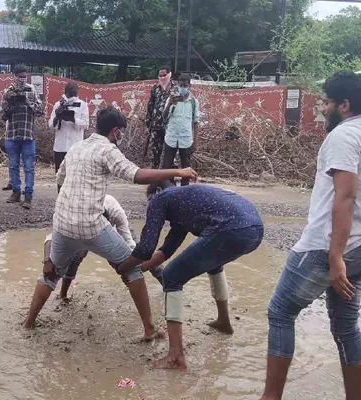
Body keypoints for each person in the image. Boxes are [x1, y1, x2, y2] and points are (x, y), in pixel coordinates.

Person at [260, 72, 361, 400]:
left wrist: (335, 257)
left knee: (280, 311)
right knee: (346, 328)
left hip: (329, 247)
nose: (323, 108)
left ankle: (270, 397)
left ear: (343, 105)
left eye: (328, 102)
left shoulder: (343, 136)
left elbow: (345, 196)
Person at [23, 107, 198, 340]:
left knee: (50, 273)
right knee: (133, 270)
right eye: (121, 132)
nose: (121, 136)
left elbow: (60, 180)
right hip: (91, 224)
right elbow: (136, 175)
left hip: (62, 222)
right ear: (115, 131)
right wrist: (178, 170)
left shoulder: (76, 147)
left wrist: (69, 207)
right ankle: (149, 329)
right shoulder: (108, 150)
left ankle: (29, 322)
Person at [117, 181, 263, 369]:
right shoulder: (182, 206)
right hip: (254, 230)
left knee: (171, 276)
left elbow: (145, 249)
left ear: (158, 191)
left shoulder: (160, 198)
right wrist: (140, 268)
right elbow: (166, 251)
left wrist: (123, 268)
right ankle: (224, 322)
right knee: (214, 264)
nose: (151, 207)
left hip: (232, 228)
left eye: (149, 201)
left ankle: (175, 357)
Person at [44, 194, 164, 301]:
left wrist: (131, 268)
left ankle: (167, 286)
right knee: (76, 257)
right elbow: (51, 238)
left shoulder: (116, 212)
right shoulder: (79, 217)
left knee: (142, 250)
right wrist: (47, 261)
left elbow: (129, 241)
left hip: (117, 229)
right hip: (84, 230)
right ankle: (63, 295)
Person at [1, 65, 44, 209]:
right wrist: (12, 102)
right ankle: (16, 192)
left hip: (28, 135)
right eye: (19, 76)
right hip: (12, 134)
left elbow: (40, 111)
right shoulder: (8, 91)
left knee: (29, 167)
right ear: (14, 76)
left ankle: (29, 195)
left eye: (24, 76)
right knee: (13, 166)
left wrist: (27, 102)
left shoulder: (31, 90)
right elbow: (3, 115)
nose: (22, 79)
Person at [48, 81, 90, 190]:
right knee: (60, 177)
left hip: (75, 146)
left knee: (76, 177)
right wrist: (58, 116)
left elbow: (86, 124)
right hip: (60, 147)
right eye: (70, 93)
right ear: (65, 93)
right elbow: (50, 125)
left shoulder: (82, 105)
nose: (72, 96)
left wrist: (73, 119)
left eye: (74, 93)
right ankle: (61, 200)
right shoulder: (58, 105)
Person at [161, 73, 199, 186]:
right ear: (177, 85)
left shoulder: (193, 102)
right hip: (171, 137)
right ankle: (167, 190)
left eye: (185, 85)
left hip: (186, 139)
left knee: (186, 167)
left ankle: (184, 192)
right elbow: (164, 117)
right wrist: (170, 105)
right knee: (167, 166)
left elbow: (196, 122)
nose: (182, 88)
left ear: (189, 85)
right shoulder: (171, 99)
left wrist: (195, 141)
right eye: (180, 85)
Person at [145, 66, 174, 169]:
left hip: (170, 127)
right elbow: (150, 106)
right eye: (160, 75)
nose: (162, 78)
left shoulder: (175, 89)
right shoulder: (155, 89)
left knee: (170, 152)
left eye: (164, 75)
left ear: (169, 75)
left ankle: (169, 176)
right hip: (156, 126)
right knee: (155, 153)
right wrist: (148, 125)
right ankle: (155, 176)